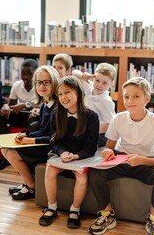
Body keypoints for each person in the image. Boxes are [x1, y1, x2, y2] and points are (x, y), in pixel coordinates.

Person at [88, 77, 154, 235]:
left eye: (136, 96)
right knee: (95, 172)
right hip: (122, 159)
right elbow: (109, 148)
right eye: (126, 96)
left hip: (147, 161)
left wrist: (142, 160)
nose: (130, 100)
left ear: (146, 99)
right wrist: (107, 152)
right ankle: (107, 214)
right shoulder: (118, 119)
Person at [38, 76, 99, 229]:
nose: (63, 97)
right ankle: (51, 207)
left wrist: (75, 156)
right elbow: (53, 140)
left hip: (81, 155)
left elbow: (91, 147)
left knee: (81, 176)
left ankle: (75, 210)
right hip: (61, 154)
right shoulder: (56, 114)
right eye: (60, 94)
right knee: (49, 170)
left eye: (67, 92)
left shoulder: (91, 116)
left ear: (78, 92)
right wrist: (63, 152)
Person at [1, 65, 60, 200]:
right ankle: (27, 181)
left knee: (11, 152)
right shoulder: (46, 104)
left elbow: (53, 138)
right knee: (4, 148)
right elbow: (42, 130)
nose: (42, 86)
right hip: (43, 143)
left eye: (46, 82)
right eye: (39, 82)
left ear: (54, 83)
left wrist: (30, 140)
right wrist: (27, 135)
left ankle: (31, 186)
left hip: (52, 148)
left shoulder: (57, 107)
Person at [0, 58, 39, 171]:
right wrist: (5, 108)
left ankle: (28, 158)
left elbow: (41, 104)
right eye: (23, 73)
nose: (26, 77)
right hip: (20, 115)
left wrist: (24, 104)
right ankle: (4, 154)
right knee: (0, 116)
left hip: (34, 115)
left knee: (32, 118)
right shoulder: (17, 85)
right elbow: (10, 105)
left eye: (29, 74)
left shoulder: (40, 86)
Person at [72, 62, 116, 147]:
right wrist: (83, 76)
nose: (99, 85)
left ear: (111, 84)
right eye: (97, 80)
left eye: (104, 83)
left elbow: (110, 125)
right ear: (93, 78)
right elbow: (73, 73)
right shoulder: (89, 86)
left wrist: (90, 129)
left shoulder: (106, 102)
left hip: (100, 135)